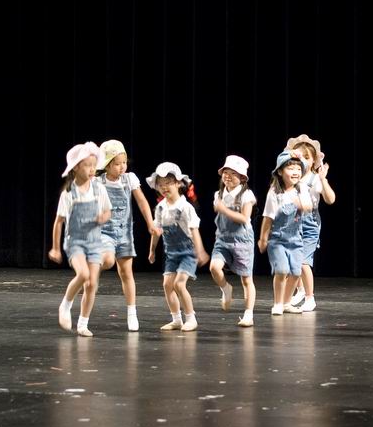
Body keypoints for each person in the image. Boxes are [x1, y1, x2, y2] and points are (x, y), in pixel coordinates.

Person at [91, 139, 157, 332]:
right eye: (117, 164)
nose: (122, 167)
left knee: (126, 273)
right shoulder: (99, 182)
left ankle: (132, 313)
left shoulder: (129, 179)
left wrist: (150, 223)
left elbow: (142, 202)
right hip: (105, 231)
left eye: (124, 163)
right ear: (107, 165)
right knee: (108, 260)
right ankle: (91, 271)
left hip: (125, 233)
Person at [48, 142, 111, 337]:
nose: (92, 170)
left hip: (94, 241)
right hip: (75, 241)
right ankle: (66, 304)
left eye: (94, 165)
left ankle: (83, 323)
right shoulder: (69, 193)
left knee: (91, 284)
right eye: (87, 165)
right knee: (83, 274)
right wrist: (55, 248)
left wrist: (103, 218)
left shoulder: (98, 189)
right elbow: (59, 222)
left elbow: (107, 210)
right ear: (75, 168)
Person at [147, 163, 209, 332]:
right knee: (167, 285)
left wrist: (200, 250)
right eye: (161, 184)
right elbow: (157, 230)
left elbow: (194, 230)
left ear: (178, 183)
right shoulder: (160, 208)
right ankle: (176, 319)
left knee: (179, 284)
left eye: (168, 183)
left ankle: (191, 318)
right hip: (172, 254)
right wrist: (152, 250)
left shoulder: (185, 207)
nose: (164, 187)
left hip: (188, 253)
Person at [284, 134, 336, 312]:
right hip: (292, 222)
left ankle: (309, 297)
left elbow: (330, 199)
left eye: (307, 157)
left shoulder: (314, 179)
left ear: (314, 160)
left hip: (309, 224)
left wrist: (323, 179)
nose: (303, 161)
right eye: (299, 157)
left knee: (303, 262)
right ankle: (299, 290)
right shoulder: (291, 178)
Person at [258, 150, 312, 315]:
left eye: (298, 168)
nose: (295, 172)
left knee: (296, 272)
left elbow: (308, 207)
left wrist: (301, 204)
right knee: (281, 270)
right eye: (290, 168)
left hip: (296, 239)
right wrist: (263, 239)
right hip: (277, 239)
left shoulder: (301, 189)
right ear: (280, 172)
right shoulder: (274, 193)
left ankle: (287, 303)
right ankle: (278, 303)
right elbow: (268, 218)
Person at [209, 155, 257, 327]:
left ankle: (248, 314)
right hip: (223, 239)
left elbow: (244, 218)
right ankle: (226, 288)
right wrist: (221, 208)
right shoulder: (219, 194)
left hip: (242, 240)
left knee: (246, 279)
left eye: (233, 173)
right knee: (214, 267)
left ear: (242, 178)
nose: (228, 176)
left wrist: (224, 209)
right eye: (226, 172)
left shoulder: (246, 195)